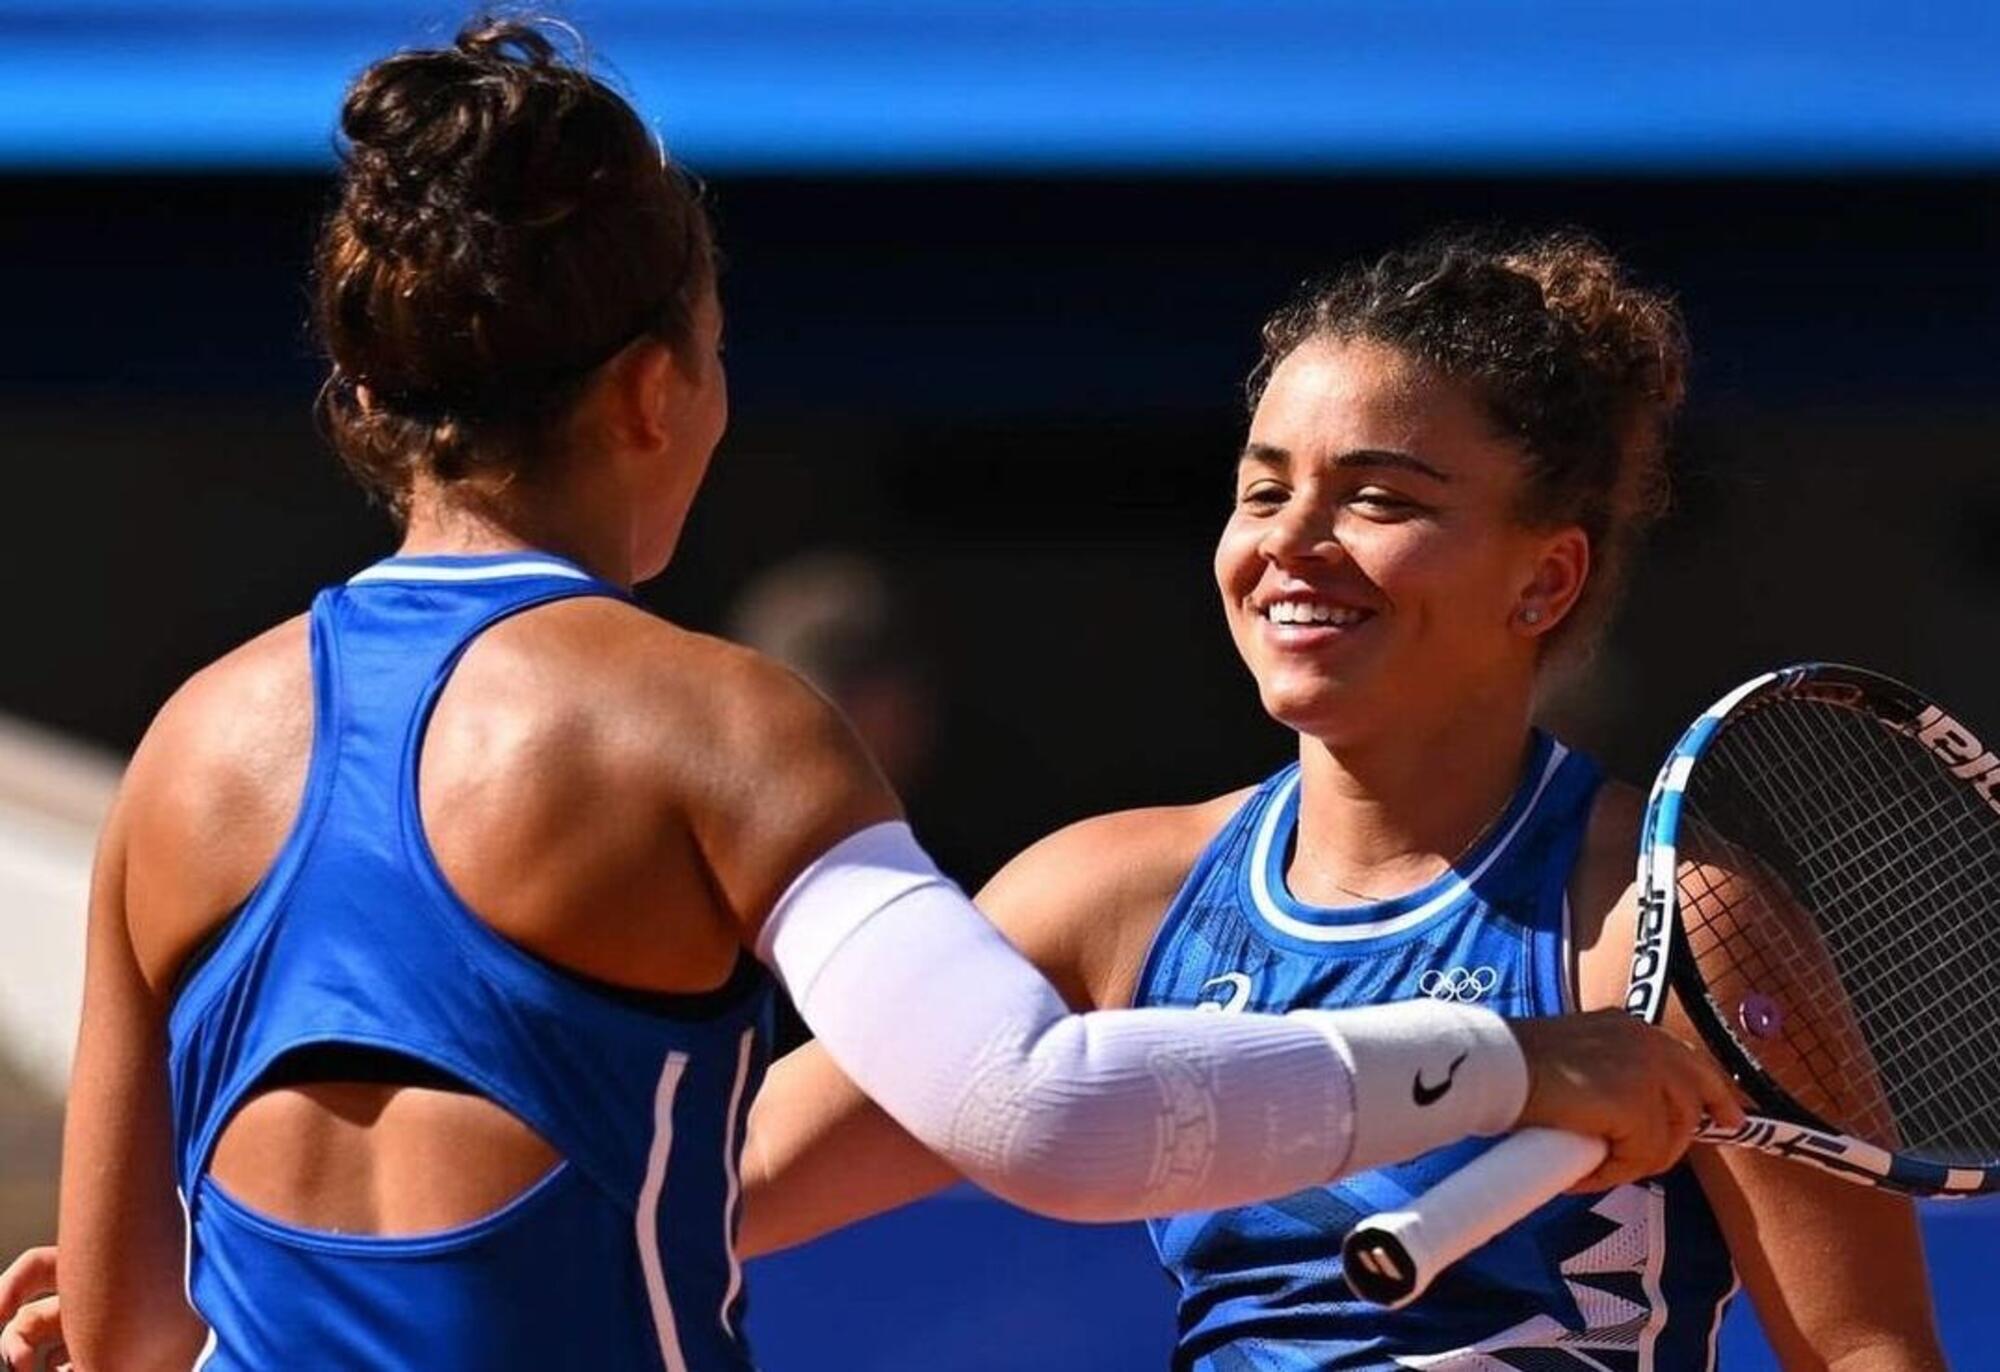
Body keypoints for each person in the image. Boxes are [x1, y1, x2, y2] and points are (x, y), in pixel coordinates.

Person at [0, 21, 1733, 1372]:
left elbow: (139, 1335)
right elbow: (1039, 1110)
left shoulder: (186, 751)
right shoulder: (711, 724)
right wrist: (1510, 1058)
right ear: (659, 387)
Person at [733, 234, 1950, 1369]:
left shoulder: (1670, 917)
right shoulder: (1104, 895)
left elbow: (1863, 1349)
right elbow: (727, 1177)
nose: (1292, 543)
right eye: (1263, 492)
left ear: (1544, 578)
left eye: (1378, 499)